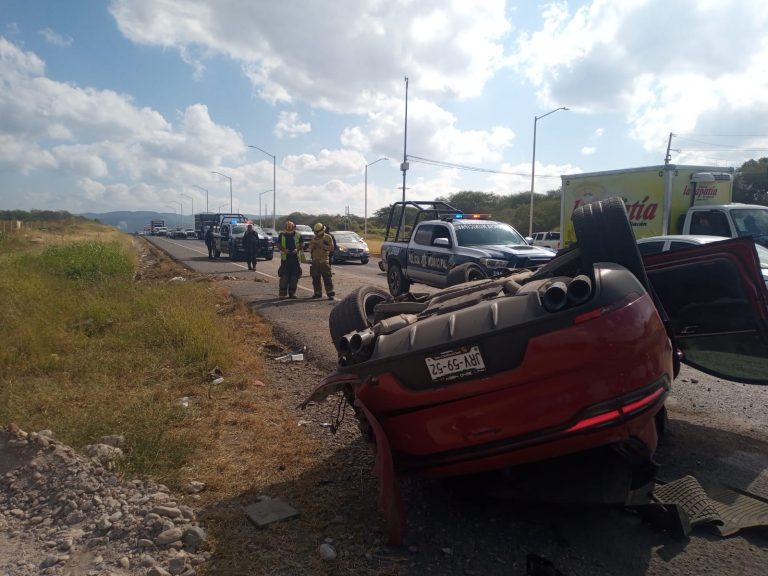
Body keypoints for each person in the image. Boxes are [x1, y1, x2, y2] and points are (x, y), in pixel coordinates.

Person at [277, 221, 304, 299]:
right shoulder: (281, 235)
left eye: (290, 230)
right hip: (285, 260)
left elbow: (302, 244)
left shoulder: (298, 235)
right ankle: (282, 294)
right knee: (284, 277)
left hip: (295, 259)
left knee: (294, 277)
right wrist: (284, 250)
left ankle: (292, 293)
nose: (289, 232)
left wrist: (297, 249)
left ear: (294, 228)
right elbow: (278, 244)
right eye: (287, 230)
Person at [309, 222, 335, 300]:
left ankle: (330, 293)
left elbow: (331, 248)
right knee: (315, 278)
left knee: (327, 278)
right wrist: (313, 245)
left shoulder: (327, 237)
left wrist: (321, 245)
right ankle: (317, 293)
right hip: (315, 261)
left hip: (324, 261)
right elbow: (310, 248)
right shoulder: (313, 238)